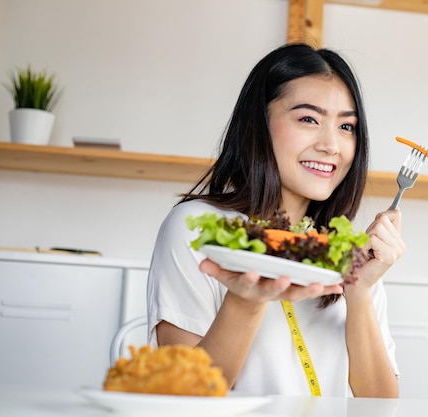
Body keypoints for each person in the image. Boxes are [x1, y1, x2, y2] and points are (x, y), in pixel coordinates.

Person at [147, 43, 404, 398]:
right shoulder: (199, 227)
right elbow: (181, 399)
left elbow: (381, 405)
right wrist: (245, 300)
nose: (332, 145)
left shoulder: (347, 250)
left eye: (346, 126)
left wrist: (358, 290)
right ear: (259, 124)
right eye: (308, 119)